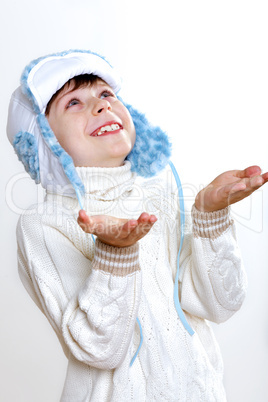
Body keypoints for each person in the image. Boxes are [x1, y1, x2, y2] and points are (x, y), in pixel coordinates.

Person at [7, 50, 268, 402]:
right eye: (74, 103)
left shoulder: (158, 196)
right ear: (44, 143)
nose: (101, 106)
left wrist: (210, 216)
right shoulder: (44, 225)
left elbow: (220, 305)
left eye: (106, 94)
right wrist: (115, 255)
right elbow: (100, 350)